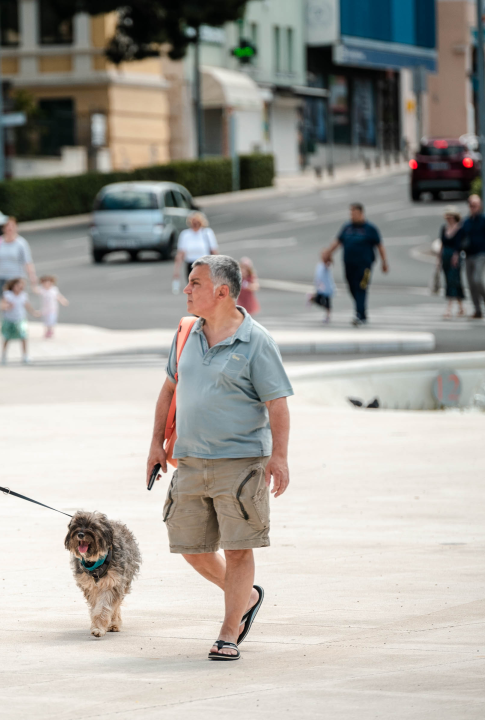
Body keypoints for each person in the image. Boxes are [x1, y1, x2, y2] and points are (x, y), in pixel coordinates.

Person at [146, 255, 293, 662]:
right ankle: (243, 597)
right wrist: (156, 445)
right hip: (190, 460)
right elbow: (168, 391)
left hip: (241, 462)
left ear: (222, 292)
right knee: (189, 546)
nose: (186, 290)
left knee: (239, 547)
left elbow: (277, 405)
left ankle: (229, 631)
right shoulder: (185, 333)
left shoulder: (256, 341)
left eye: (194, 283)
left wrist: (279, 457)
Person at [322, 203, 389, 326]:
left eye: (354, 213)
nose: (352, 216)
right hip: (349, 264)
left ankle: (358, 314)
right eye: (351, 213)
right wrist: (328, 253)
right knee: (352, 287)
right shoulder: (347, 227)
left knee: (361, 287)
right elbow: (338, 241)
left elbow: (380, 246)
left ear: (361, 213)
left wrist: (384, 262)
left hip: (365, 266)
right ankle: (362, 313)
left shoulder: (370, 229)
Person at [0, 216, 37, 300]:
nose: (10, 229)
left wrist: (32, 279)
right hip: (2, 278)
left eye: (12, 226)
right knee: (4, 306)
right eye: (7, 226)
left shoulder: (21, 243)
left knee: (17, 306)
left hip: (17, 279)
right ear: (3, 228)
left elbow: (27, 262)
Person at [461, 194, 485, 319]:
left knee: (477, 279)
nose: (472, 207)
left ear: (479, 206)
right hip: (469, 255)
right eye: (470, 205)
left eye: (475, 205)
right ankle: (477, 310)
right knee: (471, 284)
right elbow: (461, 238)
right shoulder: (466, 221)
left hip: (481, 254)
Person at [173, 212, 219, 292]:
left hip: (204, 264)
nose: (195, 224)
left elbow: (214, 251)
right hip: (191, 265)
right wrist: (177, 270)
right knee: (194, 289)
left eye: (197, 222)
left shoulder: (207, 233)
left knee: (204, 287)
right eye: (193, 222)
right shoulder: (185, 235)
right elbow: (181, 253)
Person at [438, 205, 466, 320]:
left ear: (455, 216)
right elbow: (442, 244)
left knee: (452, 280)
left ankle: (448, 308)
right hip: (445, 255)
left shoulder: (460, 229)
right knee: (452, 280)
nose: (448, 217)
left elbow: (460, 245)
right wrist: (438, 258)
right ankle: (461, 307)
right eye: (447, 215)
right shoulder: (444, 228)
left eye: (451, 215)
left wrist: (456, 255)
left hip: (455, 257)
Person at [0, 277, 37, 363]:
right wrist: (8, 306)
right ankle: (4, 355)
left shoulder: (23, 295)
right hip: (9, 319)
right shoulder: (8, 295)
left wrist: (34, 312)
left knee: (23, 336)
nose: (20, 288)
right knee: (7, 338)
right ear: (13, 286)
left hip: (20, 319)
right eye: (18, 285)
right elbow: (2, 306)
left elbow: (27, 305)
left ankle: (25, 355)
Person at [38, 274, 69, 338]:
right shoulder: (42, 290)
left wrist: (63, 301)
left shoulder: (54, 290)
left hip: (53, 309)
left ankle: (50, 330)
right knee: (46, 321)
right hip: (45, 309)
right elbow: (35, 290)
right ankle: (47, 331)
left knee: (51, 320)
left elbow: (58, 296)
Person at [308, 255, 335, 324]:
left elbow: (327, 267)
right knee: (318, 300)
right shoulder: (320, 265)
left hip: (327, 287)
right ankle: (312, 298)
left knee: (327, 302)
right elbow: (318, 275)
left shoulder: (327, 265)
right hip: (321, 286)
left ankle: (327, 316)